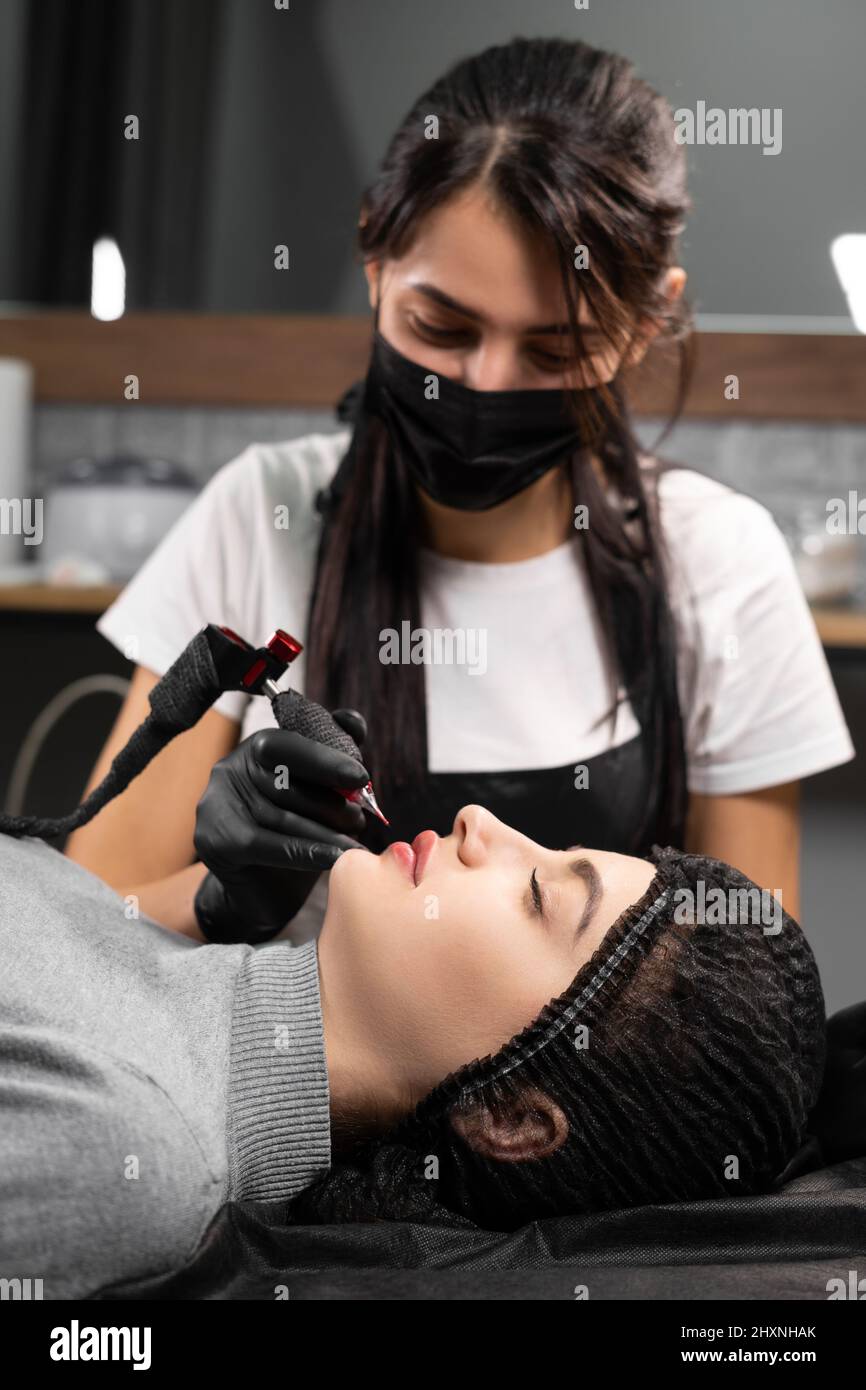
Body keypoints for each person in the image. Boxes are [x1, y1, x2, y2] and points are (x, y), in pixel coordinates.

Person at [64, 36, 852, 945]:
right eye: (441, 326)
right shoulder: (258, 515)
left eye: (556, 350)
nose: (483, 386)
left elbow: (742, 995)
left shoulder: (722, 562)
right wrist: (214, 900)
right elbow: (87, 936)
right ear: (375, 256)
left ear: (648, 322)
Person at [0, 804, 825, 1295]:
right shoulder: (198, 960)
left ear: (510, 1118)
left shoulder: (124, 1151)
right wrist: (205, 905)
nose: (480, 825)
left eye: (539, 895)